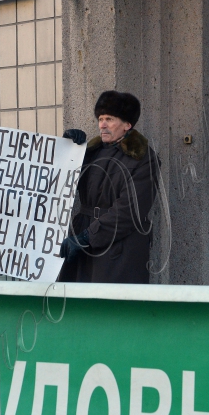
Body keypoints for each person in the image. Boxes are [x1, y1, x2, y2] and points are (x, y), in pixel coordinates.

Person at [58, 91, 160, 284]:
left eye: (109, 119)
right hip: (82, 235)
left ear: (127, 125)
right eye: (100, 118)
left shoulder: (143, 158)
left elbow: (130, 210)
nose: (102, 125)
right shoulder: (90, 152)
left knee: (109, 305)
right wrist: (67, 148)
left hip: (119, 245)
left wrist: (87, 237)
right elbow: (61, 183)